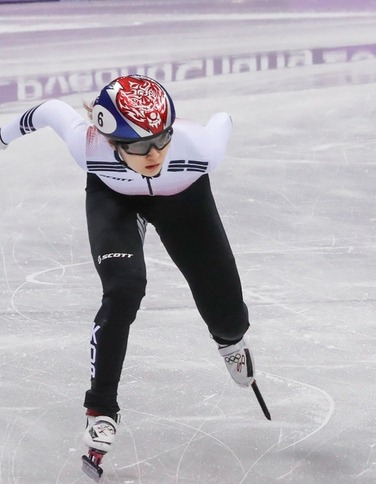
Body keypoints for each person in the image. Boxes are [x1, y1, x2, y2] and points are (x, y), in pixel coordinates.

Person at [0, 75, 256, 472]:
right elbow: (49, 111)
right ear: (110, 141)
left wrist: (217, 120)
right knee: (124, 287)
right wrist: (2, 137)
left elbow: (223, 118)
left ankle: (230, 342)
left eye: (161, 138)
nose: (154, 153)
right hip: (114, 200)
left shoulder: (202, 150)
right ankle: (101, 409)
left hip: (183, 198)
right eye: (138, 145)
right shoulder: (88, 146)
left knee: (228, 315)